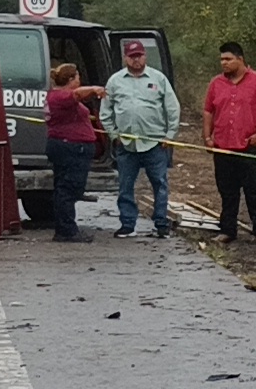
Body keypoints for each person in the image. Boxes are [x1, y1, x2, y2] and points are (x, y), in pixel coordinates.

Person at [99, 38, 180, 237]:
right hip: (126, 144)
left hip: (154, 143)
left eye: (139, 56)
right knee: (125, 185)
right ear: (125, 58)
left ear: (145, 56)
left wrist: (169, 135)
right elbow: (105, 112)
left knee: (160, 184)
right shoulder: (115, 81)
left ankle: (161, 224)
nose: (136, 60)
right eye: (132, 56)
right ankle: (127, 224)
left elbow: (172, 108)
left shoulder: (158, 79)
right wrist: (114, 135)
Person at [203, 42, 256, 240]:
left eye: (228, 59)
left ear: (240, 59)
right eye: (222, 59)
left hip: (250, 146)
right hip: (223, 145)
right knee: (227, 191)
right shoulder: (216, 83)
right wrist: (207, 137)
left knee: (253, 188)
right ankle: (227, 230)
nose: (224, 63)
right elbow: (208, 111)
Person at [40, 61, 100, 242]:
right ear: (71, 79)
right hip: (71, 148)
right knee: (68, 189)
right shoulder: (60, 97)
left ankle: (64, 228)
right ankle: (66, 230)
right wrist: (95, 89)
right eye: (78, 76)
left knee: (64, 188)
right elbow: (77, 94)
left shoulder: (57, 97)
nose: (80, 80)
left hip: (68, 146)